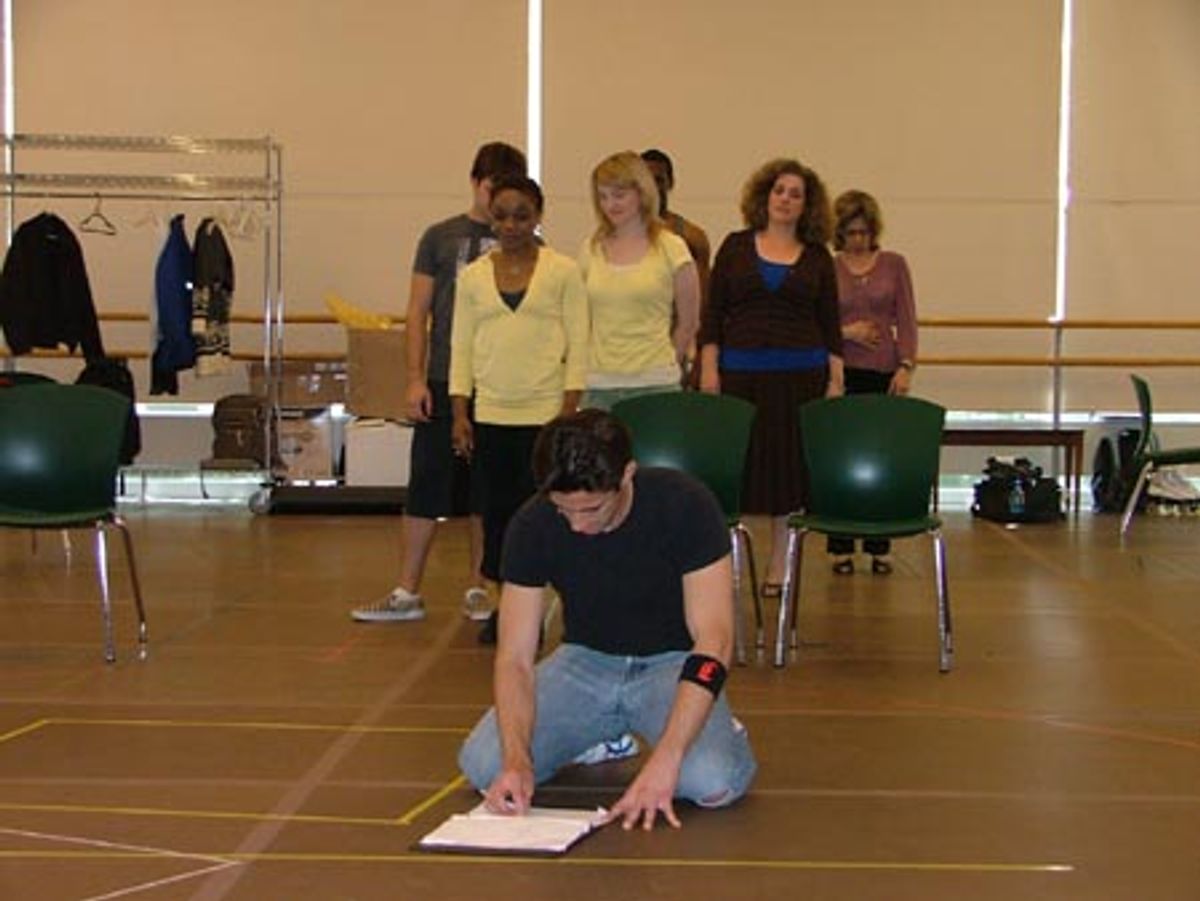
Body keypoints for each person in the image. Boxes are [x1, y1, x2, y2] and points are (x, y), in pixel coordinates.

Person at [458, 410, 756, 830]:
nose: (578, 526)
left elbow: (715, 640)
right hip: (584, 662)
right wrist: (516, 761)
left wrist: (667, 758)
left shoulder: (686, 505)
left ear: (628, 474)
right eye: (564, 510)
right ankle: (604, 739)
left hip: (673, 664)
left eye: (592, 508)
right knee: (483, 765)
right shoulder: (532, 525)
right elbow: (515, 659)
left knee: (710, 781)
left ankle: (714, 724)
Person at [352, 141, 527, 624]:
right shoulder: (440, 237)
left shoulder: (531, 245)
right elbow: (417, 312)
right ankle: (406, 590)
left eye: (510, 195)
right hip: (443, 376)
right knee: (427, 486)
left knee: (488, 493)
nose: (499, 205)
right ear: (476, 182)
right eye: (492, 189)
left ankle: (481, 588)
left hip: (499, 385)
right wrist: (415, 379)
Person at [449, 174, 588, 641]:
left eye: (522, 215)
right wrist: (460, 412)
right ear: (491, 216)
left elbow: (579, 342)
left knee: (555, 511)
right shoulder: (472, 278)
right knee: (498, 516)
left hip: (547, 414)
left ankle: (571, 606)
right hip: (491, 415)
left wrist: (569, 408)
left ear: (539, 216)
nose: (510, 225)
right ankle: (508, 610)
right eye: (501, 215)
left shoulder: (563, 271)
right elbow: (461, 347)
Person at [697, 158, 844, 597]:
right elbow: (713, 314)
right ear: (765, 196)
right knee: (734, 475)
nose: (785, 199)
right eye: (779, 190)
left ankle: (780, 564)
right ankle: (724, 564)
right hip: (739, 378)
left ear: (807, 206)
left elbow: (830, 322)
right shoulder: (735, 246)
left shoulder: (818, 257)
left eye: (795, 194)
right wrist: (709, 369)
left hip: (801, 379)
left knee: (787, 479)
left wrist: (835, 382)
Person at [827, 189, 918, 575]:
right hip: (843, 372)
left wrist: (906, 365)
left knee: (881, 457)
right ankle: (841, 545)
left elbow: (908, 318)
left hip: (883, 371)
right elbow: (819, 322)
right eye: (850, 232)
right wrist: (848, 332)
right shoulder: (828, 268)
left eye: (864, 232)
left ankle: (880, 544)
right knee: (842, 457)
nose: (858, 240)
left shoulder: (895, 264)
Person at [579, 151, 700, 410]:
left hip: (655, 382)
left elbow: (688, 322)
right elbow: (581, 318)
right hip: (599, 384)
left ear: (642, 192)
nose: (611, 204)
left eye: (619, 195)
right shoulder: (590, 248)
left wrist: (669, 359)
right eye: (603, 196)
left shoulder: (672, 247)